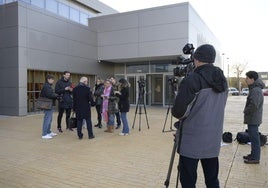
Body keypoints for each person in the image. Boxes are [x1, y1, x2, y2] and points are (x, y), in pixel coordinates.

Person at [171, 44, 228, 188]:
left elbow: (179, 112)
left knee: (188, 181)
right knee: (212, 180)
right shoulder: (222, 80)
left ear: (196, 59)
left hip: (192, 140)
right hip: (213, 139)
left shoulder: (193, 79)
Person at [243, 71, 264, 164]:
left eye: (247, 78)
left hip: (253, 118)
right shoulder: (255, 89)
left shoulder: (256, 90)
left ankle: (255, 158)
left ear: (252, 79)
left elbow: (254, 105)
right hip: (253, 118)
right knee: (253, 137)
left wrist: (246, 111)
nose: (246, 79)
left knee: (255, 139)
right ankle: (253, 154)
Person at [40, 75, 59, 139]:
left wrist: (56, 95)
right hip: (47, 105)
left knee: (49, 119)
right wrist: (57, 95)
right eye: (52, 79)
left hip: (49, 104)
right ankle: (44, 134)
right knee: (47, 119)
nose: (53, 80)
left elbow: (50, 94)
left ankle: (48, 132)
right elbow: (50, 94)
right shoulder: (46, 86)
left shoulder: (48, 86)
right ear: (48, 79)